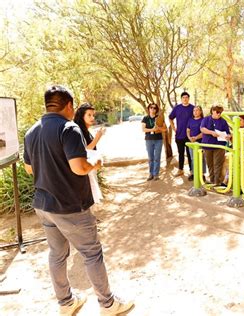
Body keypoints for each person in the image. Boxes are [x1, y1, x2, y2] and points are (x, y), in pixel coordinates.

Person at [23, 85, 134, 315]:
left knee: (56, 254)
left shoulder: (31, 131)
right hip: (70, 205)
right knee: (92, 253)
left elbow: (29, 169)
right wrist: (96, 163)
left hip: (44, 205)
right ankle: (108, 304)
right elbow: (79, 167)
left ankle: (66, 303)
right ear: (69, 105)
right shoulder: (69, 128)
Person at [200, 105, 230, 185]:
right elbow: (202, 129)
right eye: (217, 112)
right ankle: (212, 180)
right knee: (210, 164)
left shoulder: (223, 121)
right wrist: (211, 132)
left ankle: (217, 182)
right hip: (207, 145)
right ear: (212, 111)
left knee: (218, 164)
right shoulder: (206, 119)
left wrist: (228, 136)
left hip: (219, 146)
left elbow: (228, 133)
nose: (219, 114)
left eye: (220, 112)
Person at [169, 91, 194, 176]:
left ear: (188, 98)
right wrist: (173, 128)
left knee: (190, 154)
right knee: (181, 153)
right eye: (183, 97)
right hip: (179, 135)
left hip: (189, 135)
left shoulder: (193, 108)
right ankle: (180, 169)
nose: (185, 99)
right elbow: (170, 118)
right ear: (181, 99)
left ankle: (191, 170)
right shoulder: (177, 108)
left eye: (186, 97)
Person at [142, 103, 167, 181]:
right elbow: (143, 129)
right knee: (150, 158)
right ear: (149, 109)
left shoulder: (159, 118)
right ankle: (151, 174)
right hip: (149, 140)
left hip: (158, 140)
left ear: (156, 110)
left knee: (157, 157)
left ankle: (156, 174)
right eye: (151, 108)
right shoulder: (145, 118)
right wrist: (152, 130)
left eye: (154, 108)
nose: (153, 109)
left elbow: (165, 129)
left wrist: (158, 128)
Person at [186, 105, 205, 181]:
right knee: (193, 158)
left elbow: (204, 132)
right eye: (194, 110)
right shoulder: (190, 120)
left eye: (197, 110)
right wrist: (190, 138)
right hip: (192, 143)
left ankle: (202, 174)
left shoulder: (203, 120)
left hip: (200, 142)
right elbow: (188, 130)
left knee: (201, 158)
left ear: (200, 111)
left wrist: (196, 137)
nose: (195, 112)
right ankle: (194, 173)